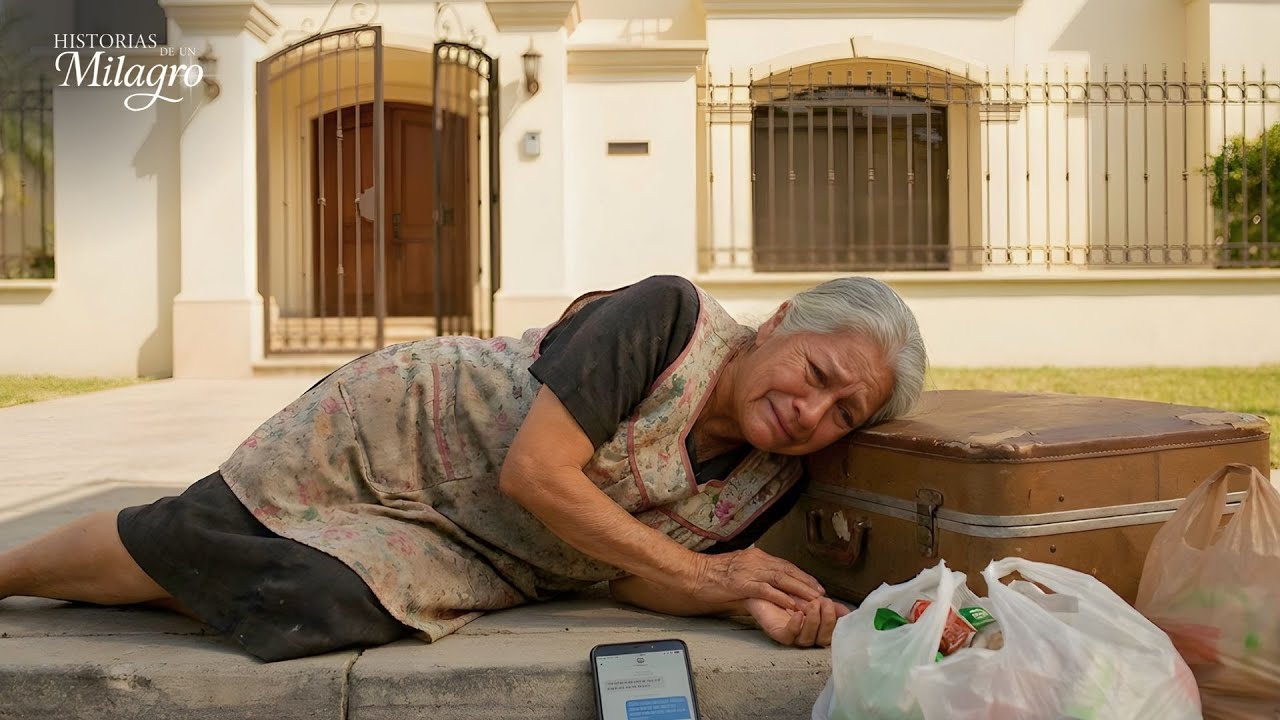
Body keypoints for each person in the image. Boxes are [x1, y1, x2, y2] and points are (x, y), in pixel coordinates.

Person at [0, 275, 927, 662]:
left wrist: (741, 602)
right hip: (401, 433)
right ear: (779, 325)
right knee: (209, 531)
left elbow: (632, 574)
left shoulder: (768, 480)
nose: (812, 414)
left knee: (316, 603)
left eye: (843, 413)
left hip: (485, 552)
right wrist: (707, 573)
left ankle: (157, 574)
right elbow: (540, 474)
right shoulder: (667, 320)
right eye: (817, 376)